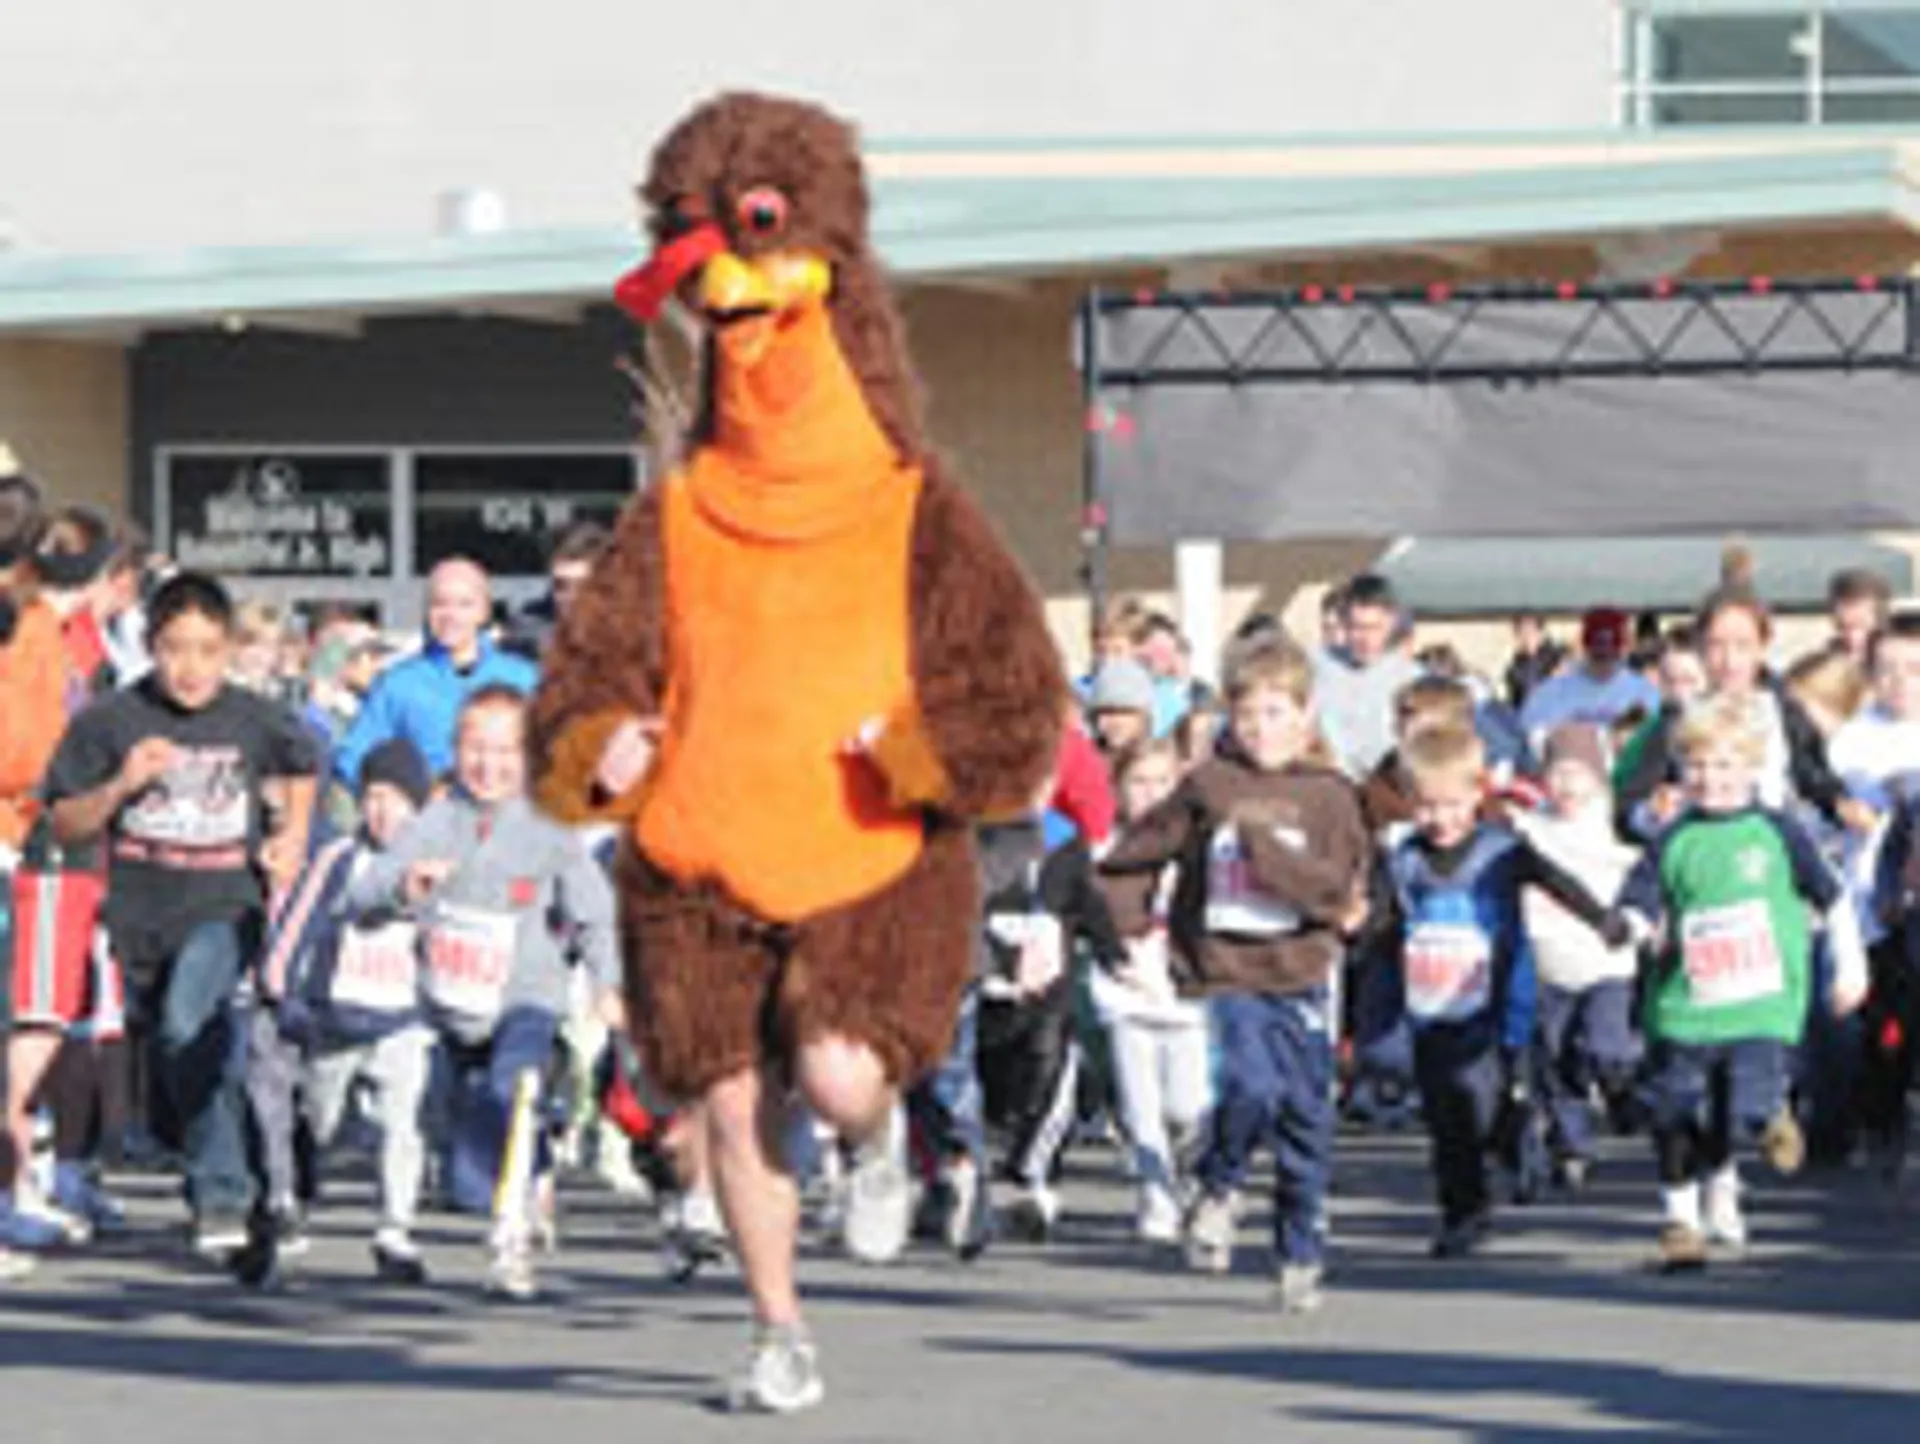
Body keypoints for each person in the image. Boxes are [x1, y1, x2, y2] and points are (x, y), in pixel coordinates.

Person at [42, 572, 318, 1265]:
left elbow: (305, 760)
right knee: (174, 1052)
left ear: (228, 652)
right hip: (138, 917)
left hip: (227, 904)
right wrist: (123, 784)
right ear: (151, 646)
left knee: (188, 1022)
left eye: (206, 651)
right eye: (173, 649)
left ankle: (222, 1191)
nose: (190, 668)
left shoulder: (252, 717)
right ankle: (246, 1174)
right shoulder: (111, 719)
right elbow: (64, 816)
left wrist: (293, 837)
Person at [1102, 634, 1370, 1311]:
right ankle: (1218, 1185)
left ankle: (1299, 1249)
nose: (1261, 729)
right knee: (1249, 1085)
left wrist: (1269, 855)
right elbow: (1141, 850)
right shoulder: (1211, 786)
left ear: (1306, 718)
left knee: (1306, 1115)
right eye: (1247, 715)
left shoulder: (1329, 796)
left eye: (1277, 713)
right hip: (1228, 965)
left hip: (1302, 967)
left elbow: (1336, 892)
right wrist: (1123, 922)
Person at [345, 686, 619, 1300]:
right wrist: (406, 890)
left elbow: (595, 914)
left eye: (505, 751)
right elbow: (360, 900)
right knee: (464, 1160)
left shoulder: (551, 828)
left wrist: (608, 983)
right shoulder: (433, 823)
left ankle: (512, 1240)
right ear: (454, 750)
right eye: (475, 749)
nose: (489, 765)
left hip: (526, 996)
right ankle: (522, 1177)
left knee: (513, 1087)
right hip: (449, 1005)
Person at [1618, 698, 1867, 1270]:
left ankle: (1754, 1135)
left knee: (1741, 1108)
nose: (1712, 779)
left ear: (1753, 768)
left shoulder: (1777, 831)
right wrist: (1629, 926)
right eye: (1699, 766)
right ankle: (1681, 1220)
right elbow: (1640, 896)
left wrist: (1851, 966)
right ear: (1680, 770)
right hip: (1687, 1001)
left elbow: (1832, 898)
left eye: (1727, 766)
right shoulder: (1672, 837)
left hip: (1761, 1001)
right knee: (1675, 1108)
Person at [1385, 723, 1626, 1258]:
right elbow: (1383, 920)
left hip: (1495, 1008)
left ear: (1477, 794)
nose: (1439, 819)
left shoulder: (1500, 850)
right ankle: (1462, 1213)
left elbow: (1555, 881)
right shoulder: (1404, 859)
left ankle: (1516, 1135)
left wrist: (1602, 920)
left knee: (1482, 1101)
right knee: (1446, 1116)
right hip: (1431, 1007)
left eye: (1451, 805)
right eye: (1425, 806)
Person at [264, 738, 438, 1283]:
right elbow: (299, 920)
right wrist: (278, 985)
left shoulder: (436, 863)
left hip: (405, 1016)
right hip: (337, 1011)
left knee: (404, 1124)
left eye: (394, 799)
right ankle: (294, 1198)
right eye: (372, 797)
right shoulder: (339, 857)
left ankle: (395, 1229)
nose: (382, 811)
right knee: (320, 1120)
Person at [1617, 586, 1864, 841]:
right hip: (1702, 851)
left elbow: (1816, 781)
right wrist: (1652, 811)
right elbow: (1627, 810)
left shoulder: (1781, 710)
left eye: (1743, 646)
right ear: (1700, 646)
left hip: (1770, 849)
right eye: (1716, 645)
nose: (1729, 661)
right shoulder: (1679, 717)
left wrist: (1841, 805)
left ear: (1762, 647)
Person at [1090, 737, 1214, 1247]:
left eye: (1163, 783)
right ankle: (1155, 1194)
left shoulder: (1198, 850)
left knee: (1187, 1108)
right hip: (1126, 997)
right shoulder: (1106, 851)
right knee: (1142, 1109)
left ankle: (1189, 1173)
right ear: (1118, 789)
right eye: (1139, 783)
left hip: (1184, 999)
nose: (1152, 794)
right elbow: (1085, 911)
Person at [1510, 724, 1642, 1189]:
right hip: (1548, 963)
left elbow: (1652, 859)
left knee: (1606, 1048)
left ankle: (1626, 1086)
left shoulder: (1616, 826)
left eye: (1578, 774)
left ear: (1599, 780)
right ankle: (1572, 1143)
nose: (1566, 785)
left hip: (1606, 964)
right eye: (1557, 773)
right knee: (1556, 1058)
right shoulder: (1530, 828)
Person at [332, 558, 538, 789]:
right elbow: (353, 760)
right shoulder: (398, 684)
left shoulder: (523, 679)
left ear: (484, 611)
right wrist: (394, 801)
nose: (451, 615)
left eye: (464, 604)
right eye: (440, 604)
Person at [1312, 573, 1421, 781]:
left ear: (1392, 622)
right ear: (1343, 621)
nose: (1365, 638)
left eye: (1374, 628)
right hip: (1331, 784)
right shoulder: (1315, 667)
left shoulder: (1412, 678)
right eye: (1356, 627)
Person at [1518, 607, 1659, 746]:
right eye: (1598, 655)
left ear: (1625, 648)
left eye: (1612, 654)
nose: (1605, 662)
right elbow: (1530, 734)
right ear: (1584, 647)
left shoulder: (1644, 693)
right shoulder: (1552, 692)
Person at [505, 522, 612, 663]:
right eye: (560, 586)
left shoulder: (632, 637)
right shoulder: (526, 636)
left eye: (583, 586)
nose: (571, 596)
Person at [1085, 656, 1156, 759]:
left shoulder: (1157, 764)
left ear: (1144, 716)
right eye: (1108, 711)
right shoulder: (1083, 763)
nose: (1117, 721)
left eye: (1126, 712)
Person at [1828, 567, 1893, 668]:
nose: (1852, 638)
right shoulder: (1830, 659)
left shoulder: (1894, 660)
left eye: (1859, 626)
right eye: (1843, 628)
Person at [1505, 612, 1568, 712]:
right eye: (1521, 632)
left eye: (1530, 631)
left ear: (1540, 631)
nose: (1526, 636)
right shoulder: (1515, 668)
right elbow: (1514, 702)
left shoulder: (1557, 654)